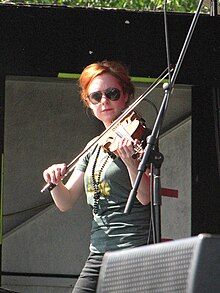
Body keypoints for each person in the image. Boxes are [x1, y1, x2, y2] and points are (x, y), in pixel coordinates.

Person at [43, 60, 152, 292]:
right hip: (98, 250)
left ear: (125, 96)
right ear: (89, 103)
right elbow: (66, 201)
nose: (104, 101)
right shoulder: (92, 146)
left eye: (112, 93)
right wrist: (55, 182)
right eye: (96, 96)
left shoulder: (139, 137)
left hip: (131, 249)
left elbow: (145, 197)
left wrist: (130, 162)